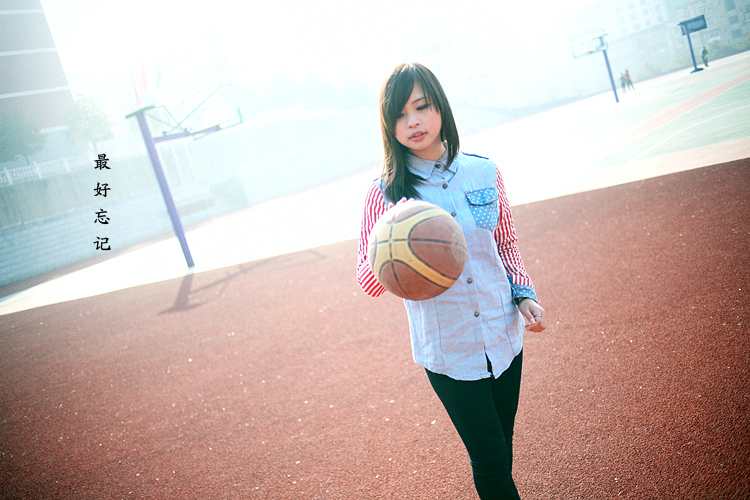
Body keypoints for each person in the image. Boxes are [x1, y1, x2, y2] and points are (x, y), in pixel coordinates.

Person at [356, 62, 547, 500]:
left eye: (421, 107)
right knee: (490, 460)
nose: (413, 121)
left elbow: (505, 243)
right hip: (449, 350)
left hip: (503, 334)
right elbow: (368, 281)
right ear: (389, 126)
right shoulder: (385, 193)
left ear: (440, 107)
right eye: (400, 115)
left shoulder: (484, 171)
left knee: (502, 449)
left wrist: (524, 295)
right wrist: (393, 243)